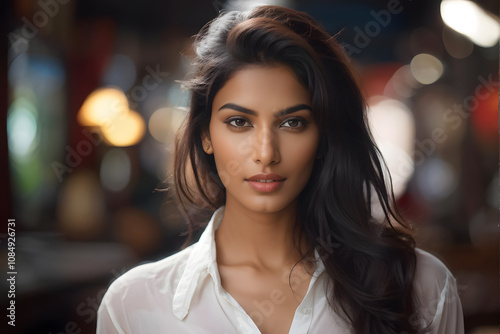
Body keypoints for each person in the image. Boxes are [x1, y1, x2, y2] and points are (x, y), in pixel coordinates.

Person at [97, 5, 464, 334]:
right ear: (205, 135)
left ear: (323, 137)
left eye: (292, 123)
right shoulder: (133, 307)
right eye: (239, 122)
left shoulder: (422, 288)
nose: (266, 153)